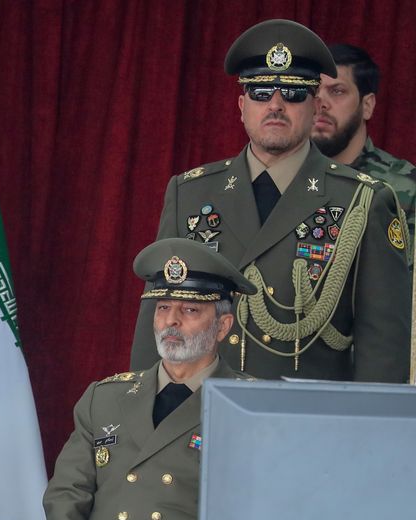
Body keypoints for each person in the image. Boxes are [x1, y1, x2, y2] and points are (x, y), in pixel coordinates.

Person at [0, 238, 254, 520]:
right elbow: (67, 491)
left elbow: (249, 510)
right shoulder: (106, 397)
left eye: (190, 311)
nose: (171, 322)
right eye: (163, 309)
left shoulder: (246, 404)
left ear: (223, 324)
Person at [129, 19, 411, 383]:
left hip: (305, 422)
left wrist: (363, 434)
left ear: (314, 106)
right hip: (200, 419)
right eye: (261, 93)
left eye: (292, 94)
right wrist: (139, 421)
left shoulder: (364, 200)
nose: (275, 105)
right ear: (242, 104)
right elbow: (158, 314)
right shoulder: (190, 192)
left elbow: (384, 346)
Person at [312, 43, 415, 252]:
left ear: (367, 105)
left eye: (337, 91)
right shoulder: (284, 176)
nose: (320, 102)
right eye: (314, 91)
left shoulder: (404, 186)